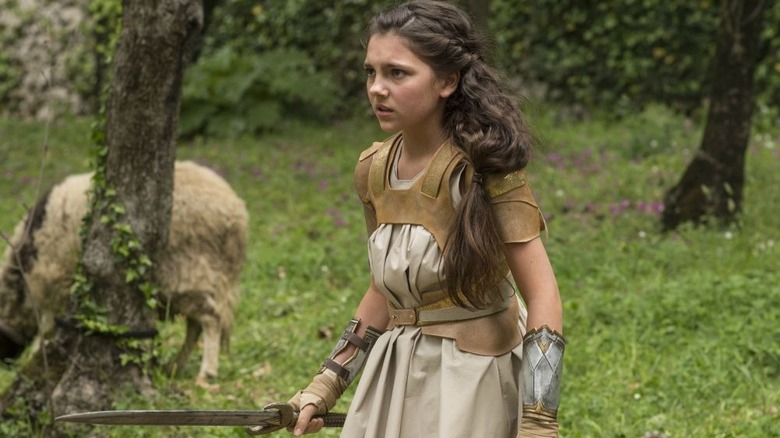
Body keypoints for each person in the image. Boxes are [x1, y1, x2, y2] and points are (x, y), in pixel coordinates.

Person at [284, 1, 564, 437]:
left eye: (397, 73)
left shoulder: (485, 168)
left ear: (448, 80)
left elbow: (543, 293)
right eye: (371, 72)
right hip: (395, 374)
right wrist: (326, 383)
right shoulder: (373, 170)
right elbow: (385, 288)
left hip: (475, 378)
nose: (377, 88)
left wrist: (539, 418)